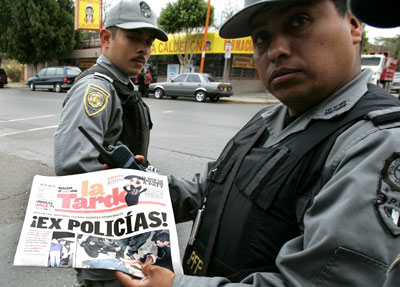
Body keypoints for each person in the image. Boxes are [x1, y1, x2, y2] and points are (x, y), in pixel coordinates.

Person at [115, 0, 400, 286]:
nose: (277, 51)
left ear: (353, 25)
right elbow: (209, 191)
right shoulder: (267, 118)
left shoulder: (377, 141)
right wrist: (138, 187)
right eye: (262, 37)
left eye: (299, 22)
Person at [53, 0, 167, 285]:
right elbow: (74, 171)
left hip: (128, 243)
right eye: (132, 38)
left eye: (149, 41)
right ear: (106, 38)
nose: (143, 49)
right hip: (106, 254)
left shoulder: (123, 86)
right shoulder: (96, 89)